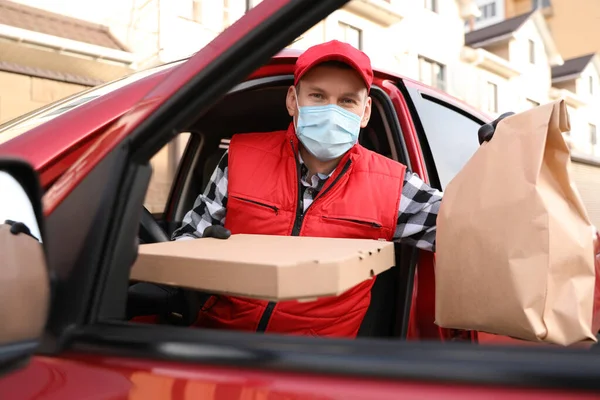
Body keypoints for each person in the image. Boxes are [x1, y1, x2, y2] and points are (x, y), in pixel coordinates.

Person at [171, 40, 510, 338]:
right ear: (293, 101)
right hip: (219, 347)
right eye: (317, 96)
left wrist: (507, 159)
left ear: (364, 113)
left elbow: (473, 228)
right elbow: (184, 243)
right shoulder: (241, 159)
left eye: (347, 101)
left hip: (315, 368)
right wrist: (208, 256)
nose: (331, 111)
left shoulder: (394, 186)